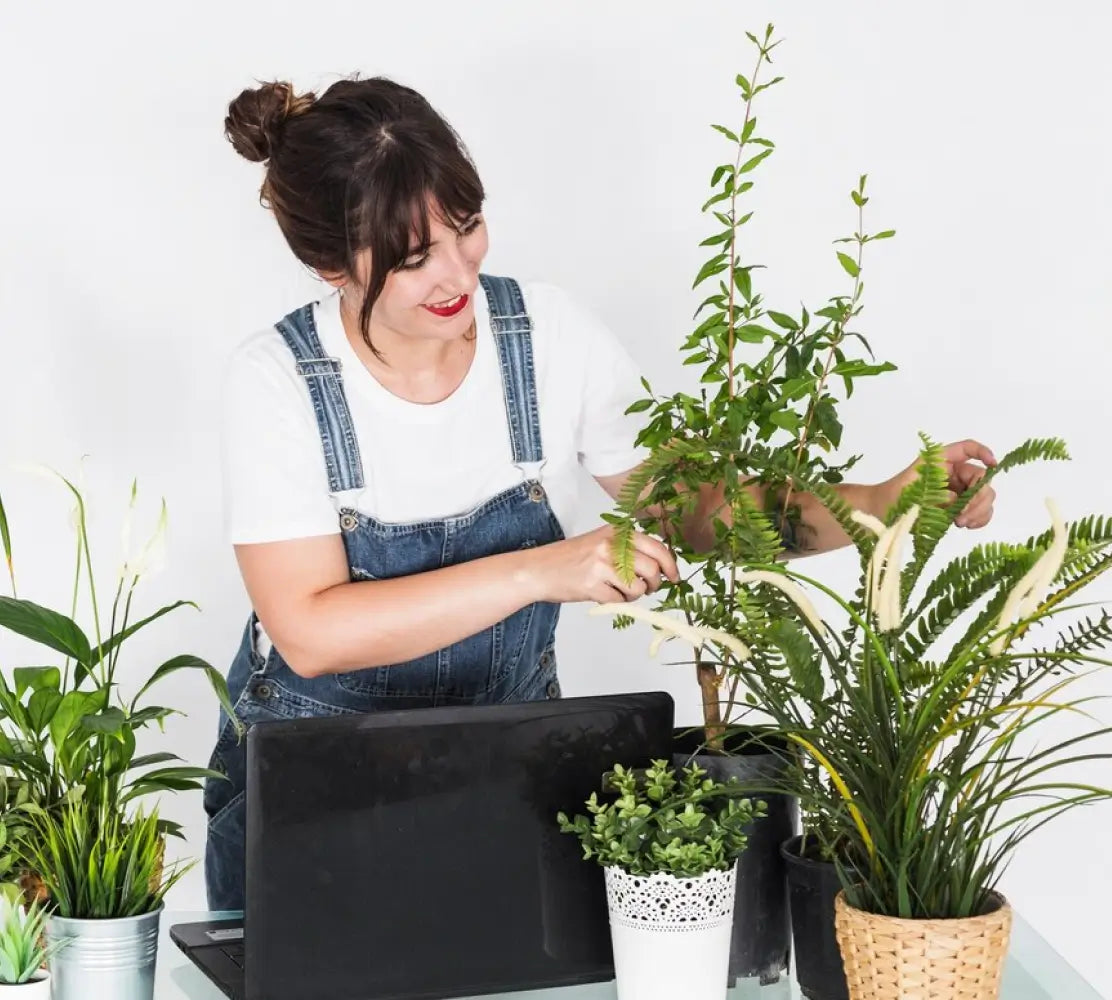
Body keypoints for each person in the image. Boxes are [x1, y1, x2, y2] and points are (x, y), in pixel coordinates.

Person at [202, 75, 998, 911]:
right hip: (311, 797)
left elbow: (701, 509)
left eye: (466, 227)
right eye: (412, 259)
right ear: (330, 264)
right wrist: (540, 570)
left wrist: (877, 503)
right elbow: (312, 632)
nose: (457, 272)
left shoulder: (547, 335)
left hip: (500, 773)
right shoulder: (278, 381)